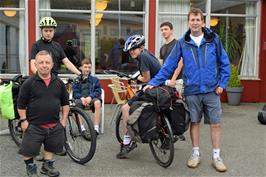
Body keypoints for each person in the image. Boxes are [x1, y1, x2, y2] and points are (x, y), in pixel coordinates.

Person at [145, 8, 230, 172]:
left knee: (216, 124)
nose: (195, 22)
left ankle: (216, 156)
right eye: (192, 20)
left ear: (203, 22)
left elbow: (224, 62)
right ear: (188, 22)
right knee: (195, 123)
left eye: (198, 20)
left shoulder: (213, 39)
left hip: (212, 90)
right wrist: (154, 82)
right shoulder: (182, 43)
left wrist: (222, 84)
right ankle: (195, 153)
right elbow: (169, 65)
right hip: (192, 90)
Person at [17, 50, 69, 177]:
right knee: (28, 150)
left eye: (47, 62)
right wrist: (24, 121)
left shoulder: (59, 83)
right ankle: (31, 168)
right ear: (36, 64)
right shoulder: (29, 83)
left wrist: (64, 120)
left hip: (54, 124)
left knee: (50, 148)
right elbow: (20, 104)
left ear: (52, 64)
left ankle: (47, 167)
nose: (44, 65)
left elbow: (65, 103)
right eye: (41, 62)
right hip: (34, 125)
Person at [116, 34, 161, 159]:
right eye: (130, 50)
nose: (131, 52)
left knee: (125, 108)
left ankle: (128, 140)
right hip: (160, 88)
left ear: (141, 47)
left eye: (134, 49)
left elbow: (146, 78)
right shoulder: (147, 54)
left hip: (153, 89)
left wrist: (135, 78)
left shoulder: (143, 57)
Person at [72, 59, 102, 135]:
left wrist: (90, 97)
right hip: (80, 99)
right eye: (85, 67)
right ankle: (82, 129)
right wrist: (81, 98)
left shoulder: (95, 80)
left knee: (98, 102)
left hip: (91, 99)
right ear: (81, 68)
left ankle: (96, 128)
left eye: (89, 67)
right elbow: (75, 92)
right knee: (73, 106)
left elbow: (98, 91)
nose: (87, 69)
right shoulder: (76, 80)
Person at [160, 21, 184, 90]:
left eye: (166, 29)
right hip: (166, 81)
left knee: (177, 100)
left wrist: (173, 79)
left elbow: (180, 63)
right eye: (162, 30)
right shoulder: (162, 47)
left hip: (177, 81)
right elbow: (162, 65)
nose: (163, 31)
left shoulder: (177, 44)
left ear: (171, 31)